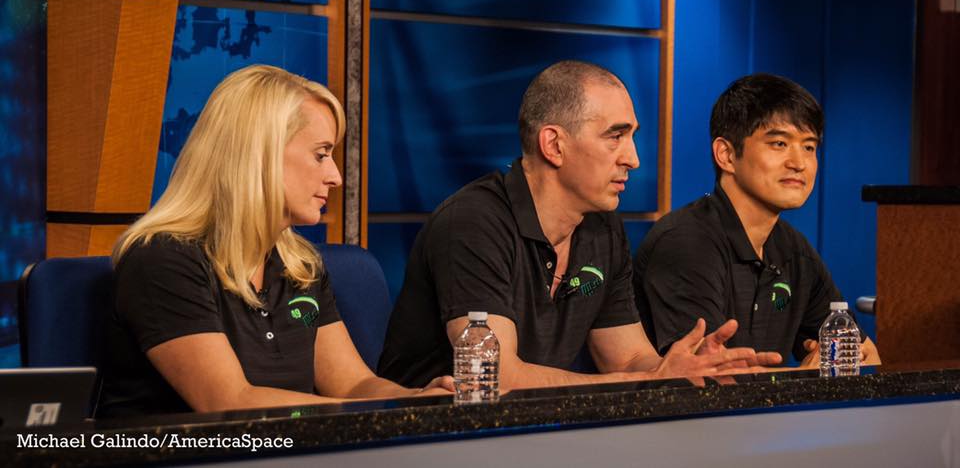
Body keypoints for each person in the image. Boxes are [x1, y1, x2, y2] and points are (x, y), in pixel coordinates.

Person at [377, 61, 781, 390]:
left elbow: (625, 358)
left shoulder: (602, 228)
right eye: (615, 137)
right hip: (430, 440)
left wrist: (675, 369)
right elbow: (496, 376)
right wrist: (642, 378)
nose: (633, 159)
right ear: (554, 145)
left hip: (539, 438)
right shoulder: (473, 222)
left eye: (632, 137)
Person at [98, 65, 451, 417]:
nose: (336, 177)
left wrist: (413, 400)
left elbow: (353, 385)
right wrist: (370, 412)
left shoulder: (301, 266)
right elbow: (228, 403)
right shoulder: (162, 260)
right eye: (321, 154)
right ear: (260, 155)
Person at [633, 73, 880, 367]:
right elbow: (710, 377)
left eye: (809, 147)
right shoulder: (684, 242)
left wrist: (825, 360)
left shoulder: (793, 249)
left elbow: (866, 355)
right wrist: (804, 378)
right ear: (726, 154)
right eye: (779, 143)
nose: (799, 163)